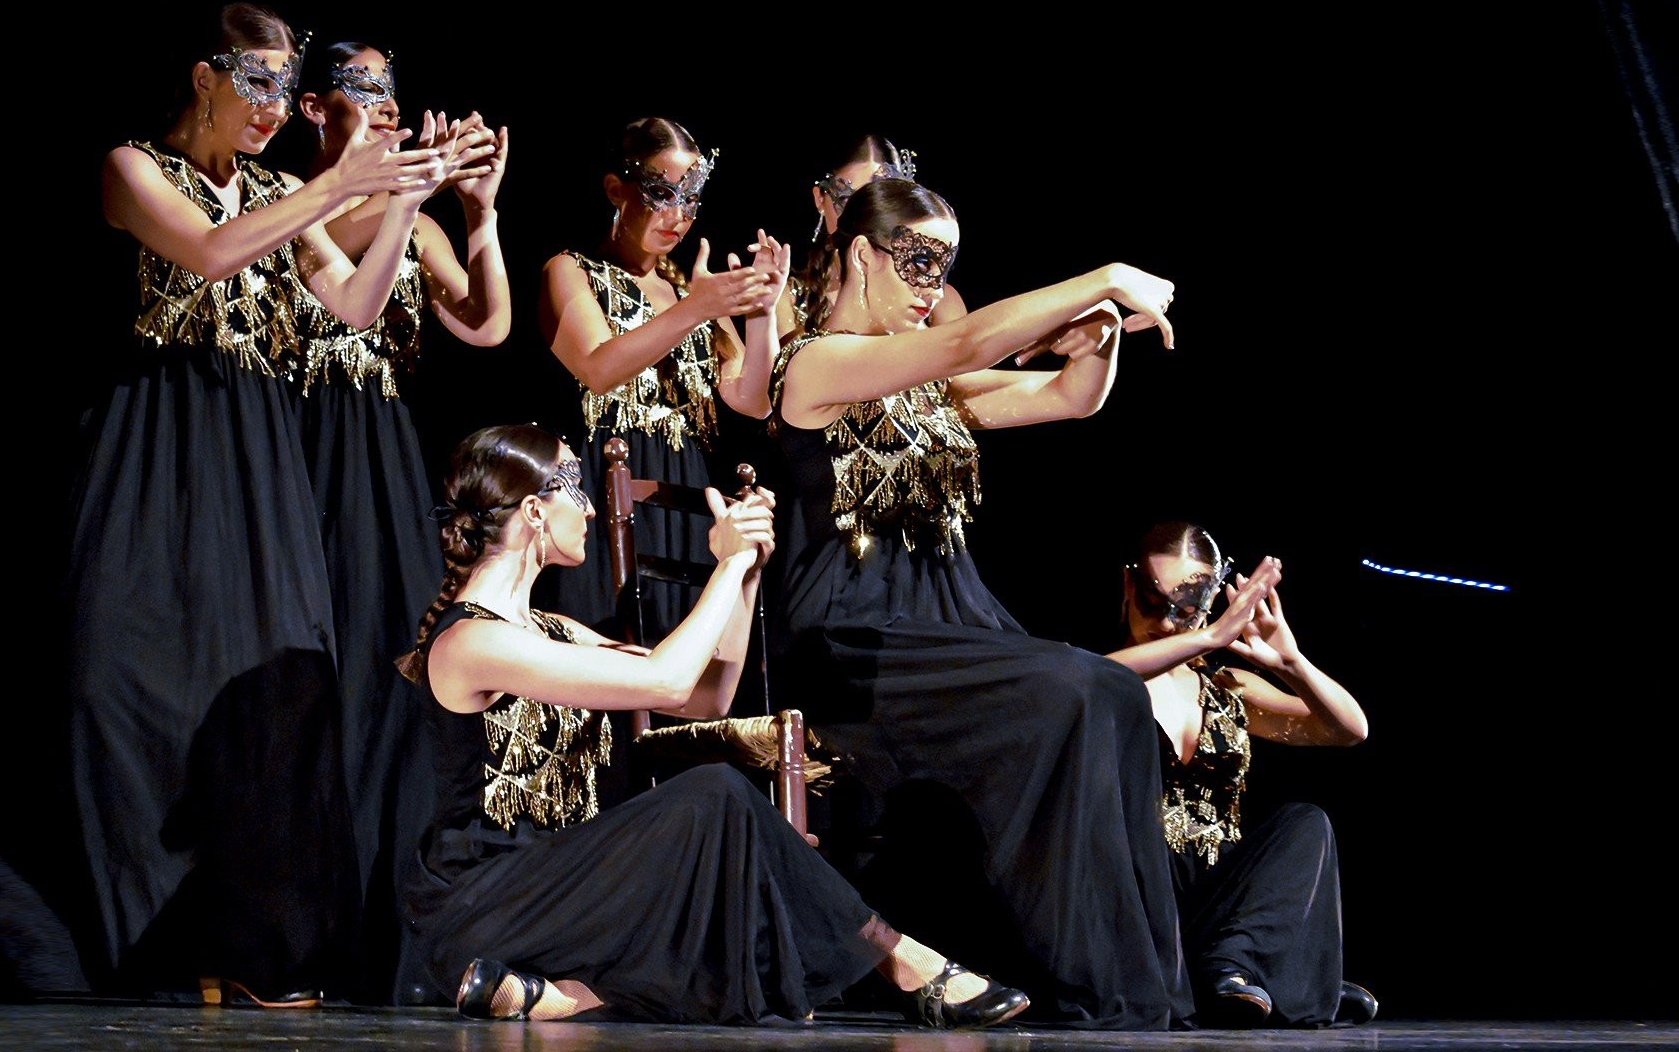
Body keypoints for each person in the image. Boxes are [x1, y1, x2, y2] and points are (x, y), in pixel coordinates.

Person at [768, 176, 1234, 1029]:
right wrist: (1103, 276)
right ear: (861, 255)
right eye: (915, 262)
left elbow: (1070, 397)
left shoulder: (927, 392)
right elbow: (963, 345)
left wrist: (1098, 336)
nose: (931, 286)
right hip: (855, 645)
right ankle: (1084, 979)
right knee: (1074, 688)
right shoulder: (814, 364)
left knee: (1114, 695)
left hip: (949, 629)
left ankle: (1140, 989)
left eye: (943, 265)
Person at [392, 423, 1032, 1028]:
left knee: (722, 875)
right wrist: (722, 568)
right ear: (534, 510)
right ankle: (902, 961)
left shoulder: (553, 632)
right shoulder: (470, 642)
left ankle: (565, 998)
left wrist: (746, 574)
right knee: (714, 797)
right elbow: (664, 681)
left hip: (563, 883)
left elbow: (705, 697)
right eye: (575, 488)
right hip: (485, 899)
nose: (588, 509)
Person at [66, 1, 448, 1005]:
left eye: (287, 85)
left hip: (259, 456)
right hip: (155, 444)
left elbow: (354, 306)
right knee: (128, 682)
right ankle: (144, 950)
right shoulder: (134, 168)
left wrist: (401, 198)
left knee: (275, 694)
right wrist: (335, 185)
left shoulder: (285, 192)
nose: (276, 106)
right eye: (260, 83)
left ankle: (259, 948)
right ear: (204, 77)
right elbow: (209, 252)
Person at [291, 40, 508, 1005]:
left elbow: (486, 323)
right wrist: (414, 188)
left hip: (385, 449)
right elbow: (346, 296)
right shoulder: (295, 204)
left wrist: (479, 212)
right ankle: (309, 913)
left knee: (396, 672)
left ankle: (395, 919)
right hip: (313, 449)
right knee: (325, 673)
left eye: (391, 89)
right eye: (362, 89)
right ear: (312, 110)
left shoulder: (402, 213)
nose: (383, 104)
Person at [1105, 521, 1377, 1028]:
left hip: (1216, 894)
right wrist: (1206, 636)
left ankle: (1229, 966)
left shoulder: (1230, 687)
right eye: (1152, 601)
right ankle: (1259, 976)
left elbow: (1349, 729)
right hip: (1138, 892)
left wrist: (1291, 661)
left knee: (1305, 823)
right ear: (1127, 586)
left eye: (1186, 611)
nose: (1167, 623)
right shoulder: (1101, 677)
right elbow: (1086, 680)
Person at [536, 117, 787, 641]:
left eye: (690, 200)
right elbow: (599, 368)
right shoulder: (571, 270)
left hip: (685, 490)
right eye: (661, 194)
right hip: (604, 488)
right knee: (605, 653)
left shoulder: (691, 293)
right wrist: (696, 308)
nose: (678, 216)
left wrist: (761, 312)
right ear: (615, 190)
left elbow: (752, 400)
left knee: (682, 656)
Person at [780, 134, 967, 341]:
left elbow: (965, 363)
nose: (868, 214)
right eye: (849, 199)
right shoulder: (787, 299)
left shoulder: (938, 300)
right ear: (820, 198)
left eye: (883, 201)